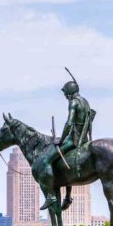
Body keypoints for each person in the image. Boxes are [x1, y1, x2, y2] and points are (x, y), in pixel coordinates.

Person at [39, 79, 93, 210]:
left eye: (65, 92)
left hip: (73, 139)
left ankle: (51, 195)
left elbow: (69, 123)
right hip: (84, 138)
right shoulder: (84, 101)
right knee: (65, 164)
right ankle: (68, 197)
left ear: (69, 91)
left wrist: (61, 140)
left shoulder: (73, 102)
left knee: (46, 160)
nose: (64, 96)